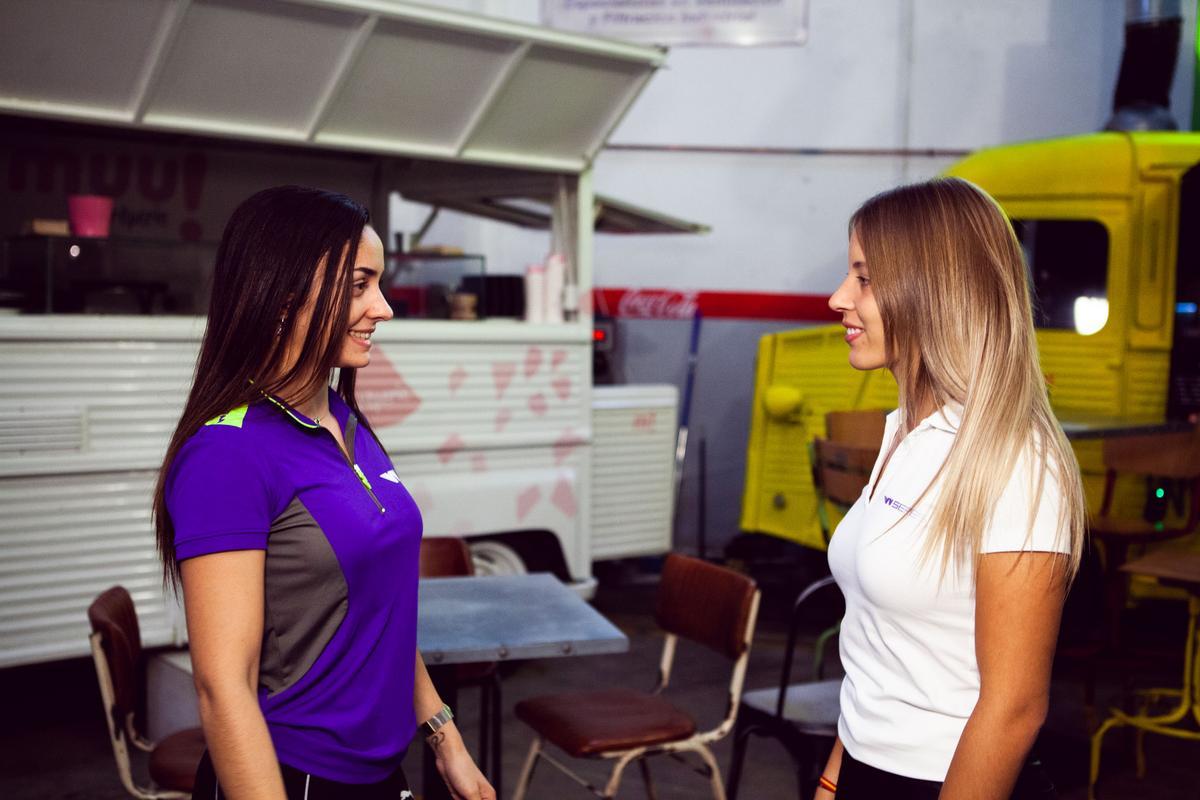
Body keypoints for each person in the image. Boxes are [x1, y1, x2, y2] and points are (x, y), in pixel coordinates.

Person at [153, 186, 494, 800]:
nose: (383, 308)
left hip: (380, 771)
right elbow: (222, 687)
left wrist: (447, 742)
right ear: (285, 299)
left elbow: (380, 609)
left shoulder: (344, 418)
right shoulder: (226, 454)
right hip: (294, 776)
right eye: (360, 285)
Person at [815, 177, 1086, 800]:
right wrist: (833, 780)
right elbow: (873, 644)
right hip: (863, 766)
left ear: (935, 294)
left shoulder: (1015, 459)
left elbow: (1014, 707)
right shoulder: (904, 433)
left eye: (865, 278)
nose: (837, 298)